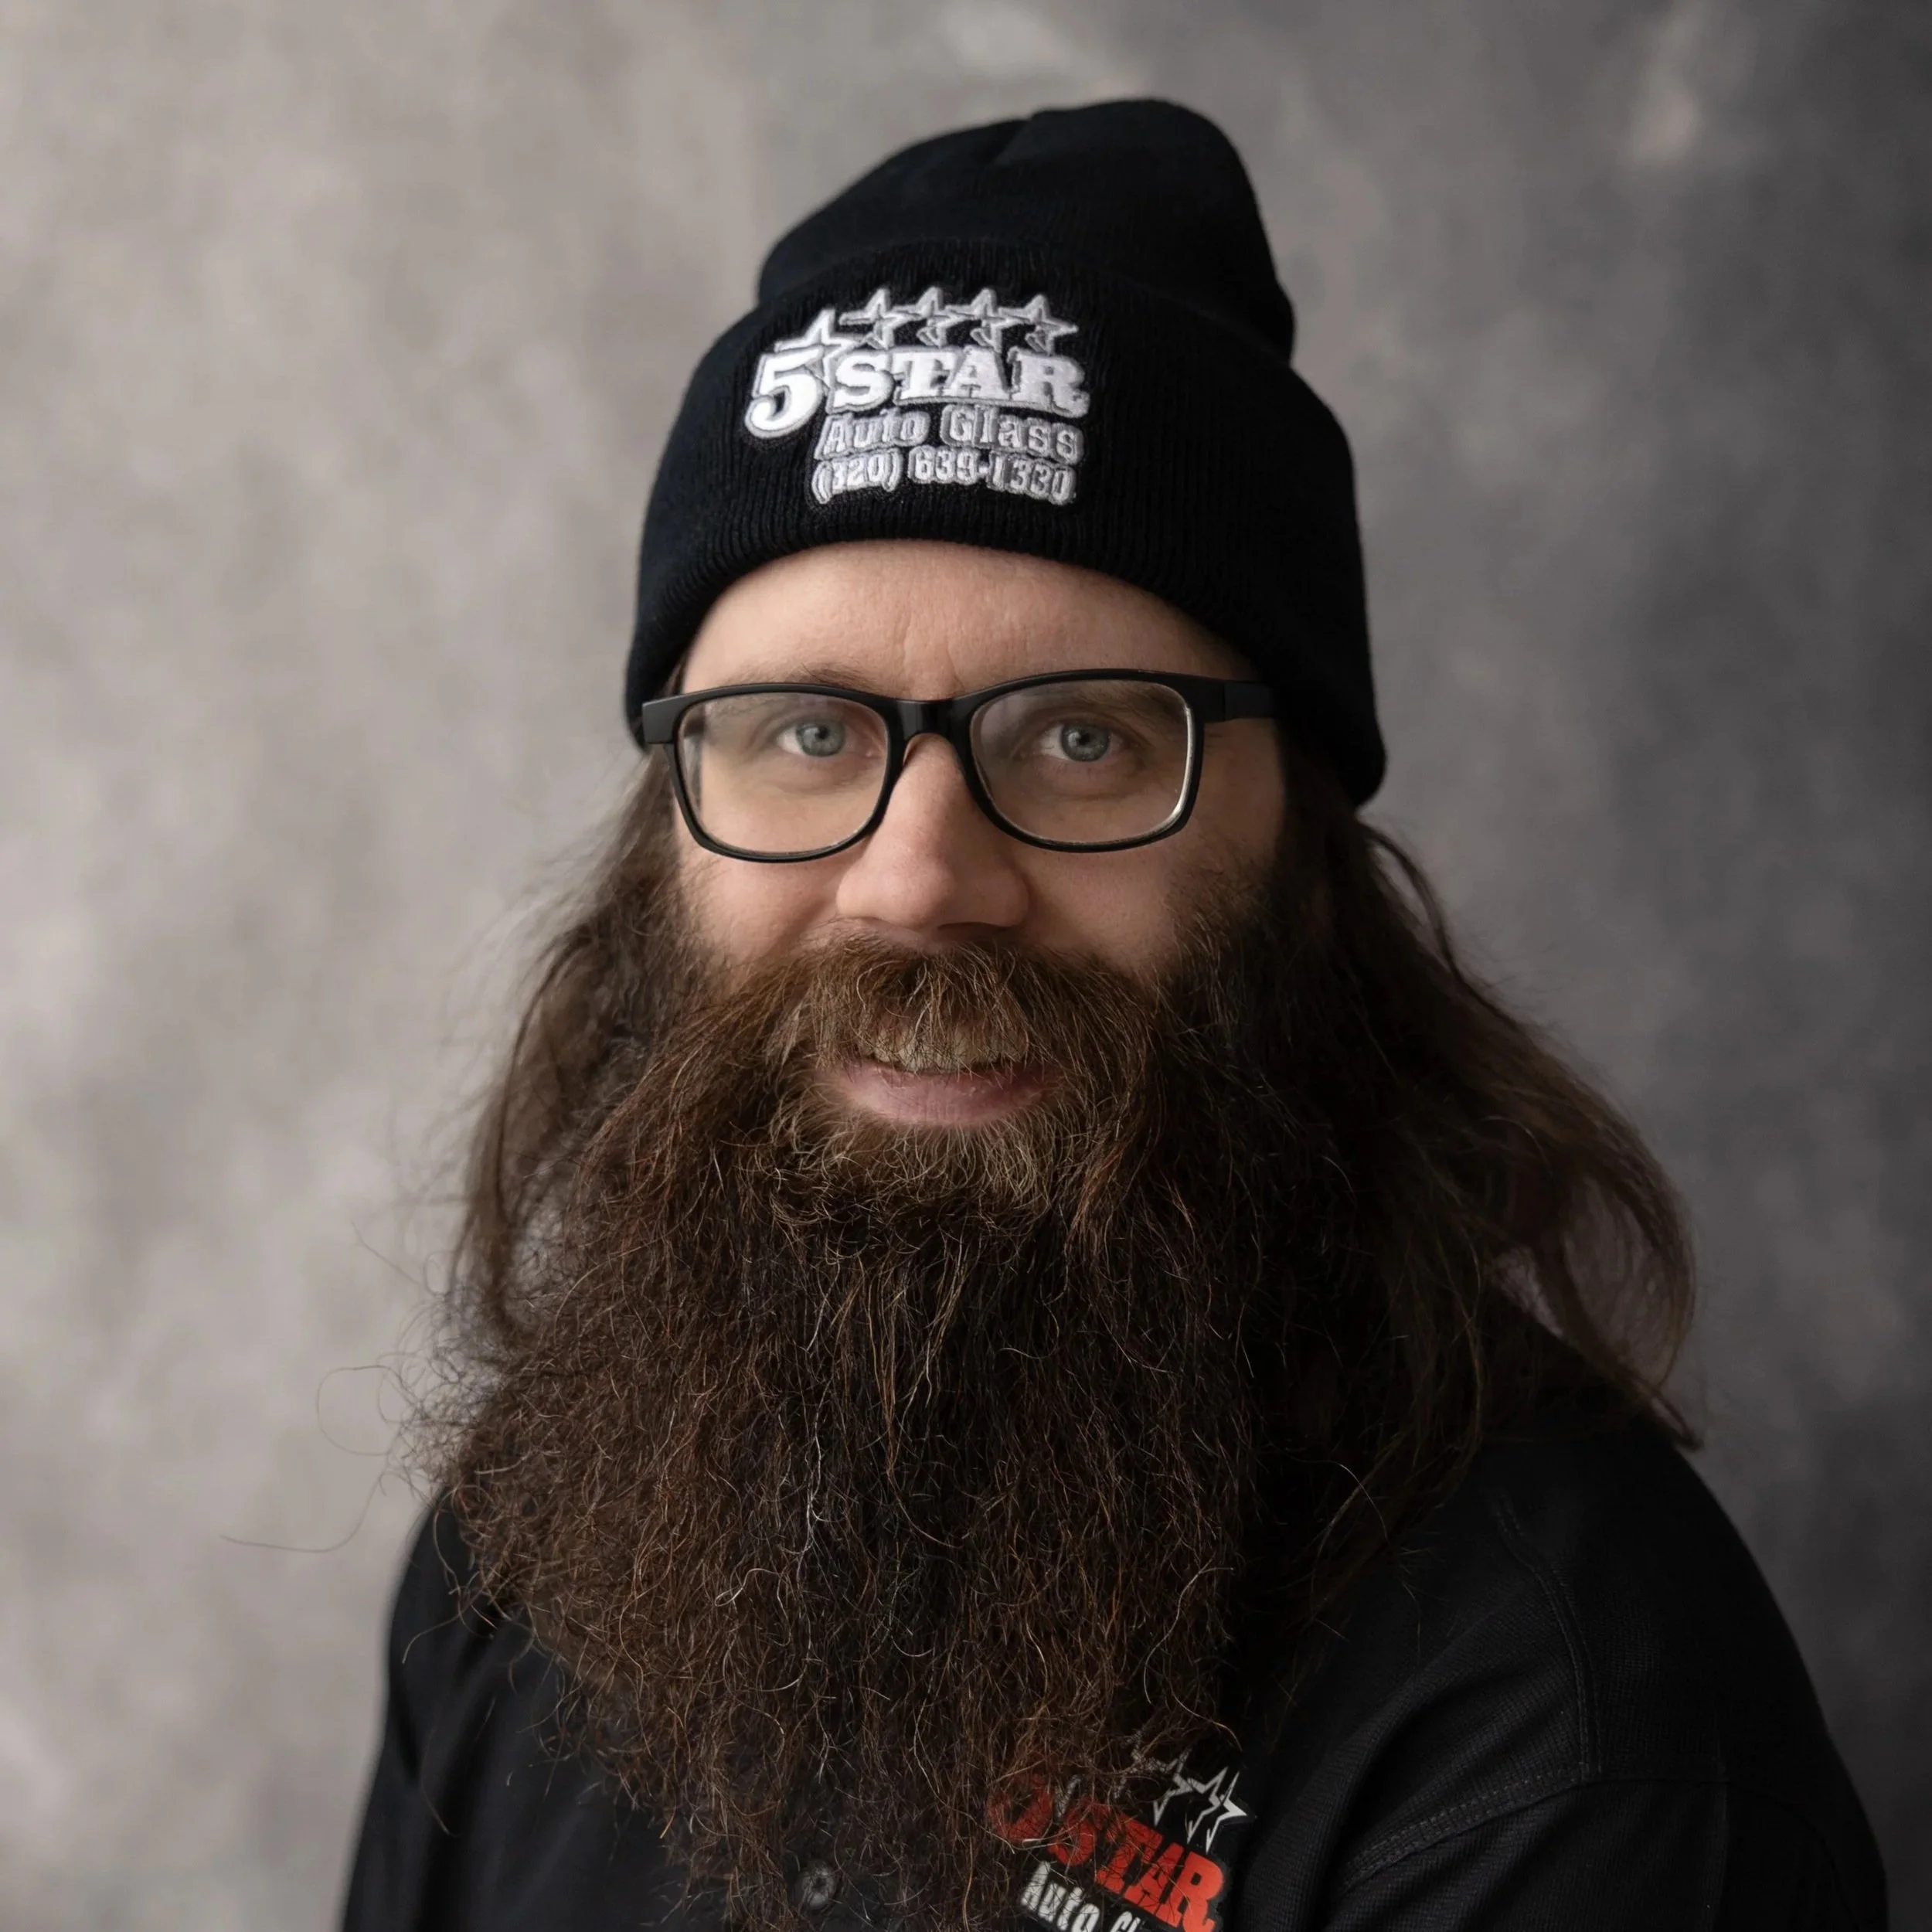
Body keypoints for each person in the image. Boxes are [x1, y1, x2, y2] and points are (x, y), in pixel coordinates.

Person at [342, 100, 1885, 1932]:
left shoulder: (1558, 1735)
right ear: (667, 822)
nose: (916, 878)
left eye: (1082, 739)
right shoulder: (528, 1552)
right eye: (803, 734)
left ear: (1299, 857)